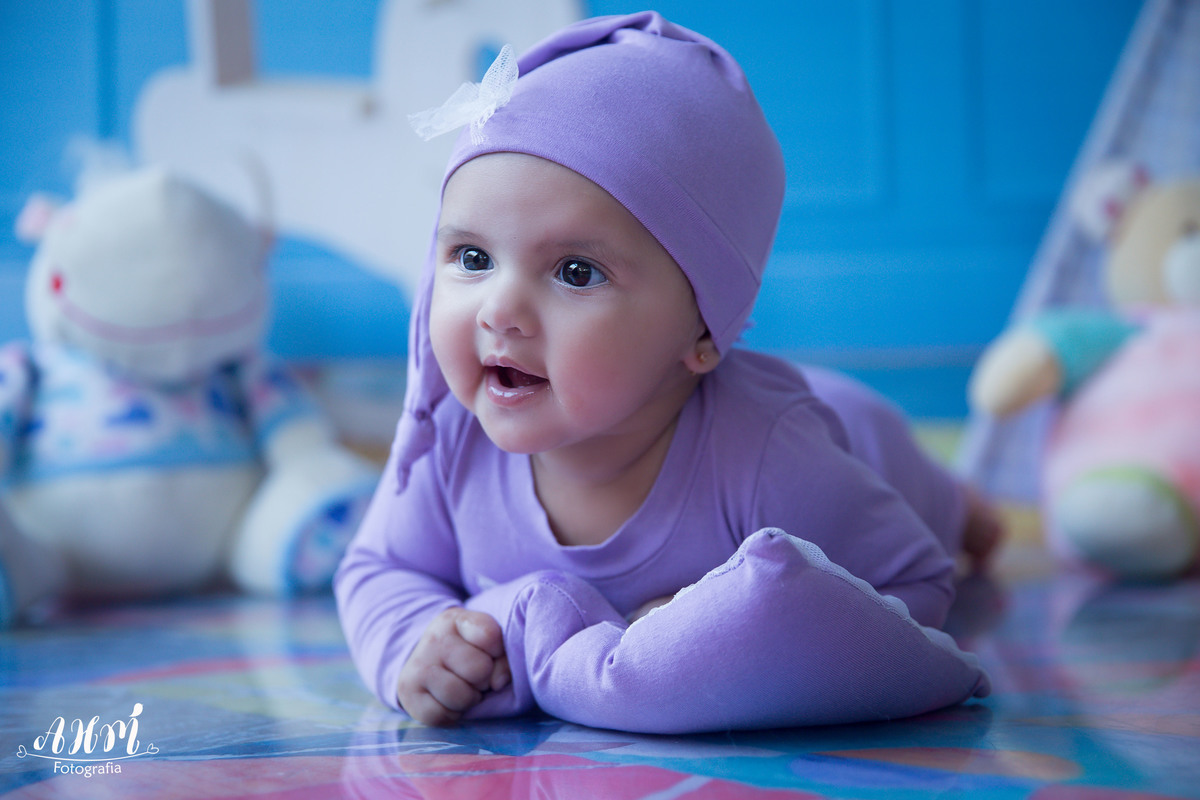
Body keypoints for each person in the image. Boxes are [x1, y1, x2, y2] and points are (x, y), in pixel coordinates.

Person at [335, 11, 1000, 729]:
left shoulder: (773, 457)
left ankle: (967, 506)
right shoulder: (448, 437)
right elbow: (380, 568)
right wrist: (413, 645)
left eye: (576, 271)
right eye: (472, 258)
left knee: (948, 513)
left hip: (862, 435)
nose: (499, 310)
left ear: (703, 330)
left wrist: (722, 637)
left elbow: (914, 577)